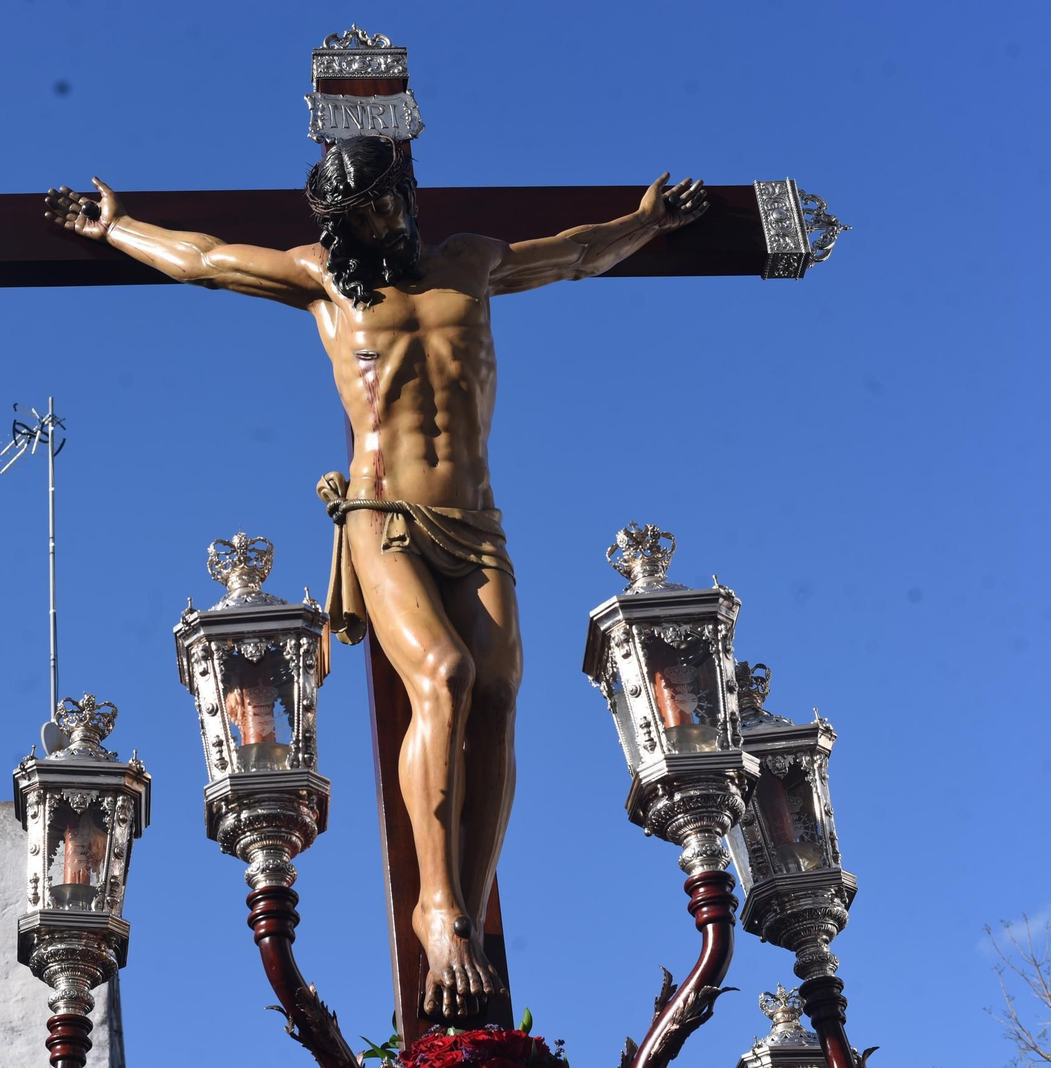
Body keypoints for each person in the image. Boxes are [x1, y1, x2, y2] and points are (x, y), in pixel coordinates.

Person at [45, 136, 708, 1019]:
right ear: (339, 223)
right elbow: (205, 260)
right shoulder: (324, 277)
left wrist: (645, 223)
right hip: (382, 514)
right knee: (445, 674)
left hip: (477, 522)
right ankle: (436, 906)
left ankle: (467, 902)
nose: (387, 219)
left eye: (392, 199)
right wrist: (118, 227)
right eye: (365, 213)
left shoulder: (470, 262)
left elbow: (576, 253)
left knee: (500, 694)